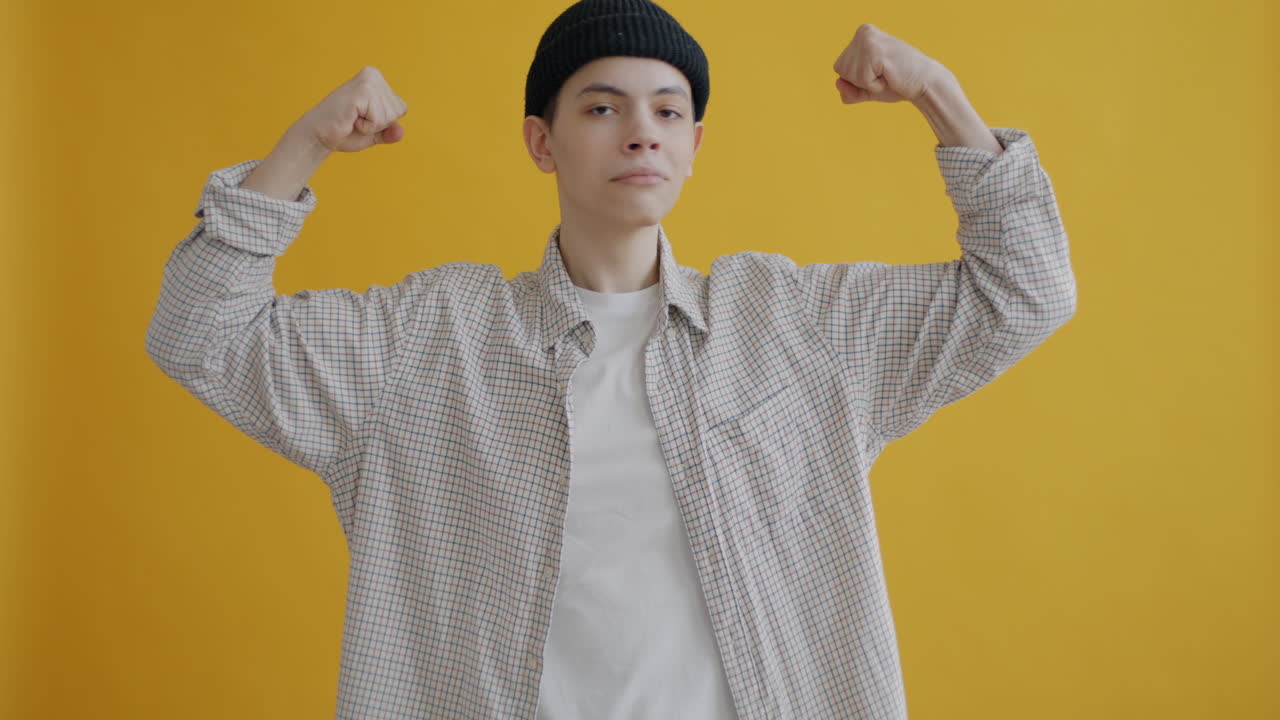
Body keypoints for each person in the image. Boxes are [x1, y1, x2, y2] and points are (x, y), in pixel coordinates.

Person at [144, 0, 1076, 717]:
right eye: (603, 106)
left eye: (668, 112)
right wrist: (302, 145)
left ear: (693, 147)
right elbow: (201, 335)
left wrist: (936, 93)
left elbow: (1026, 290)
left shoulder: (795, 325)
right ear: (541, 142)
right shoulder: (428, 343)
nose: (641, 132)